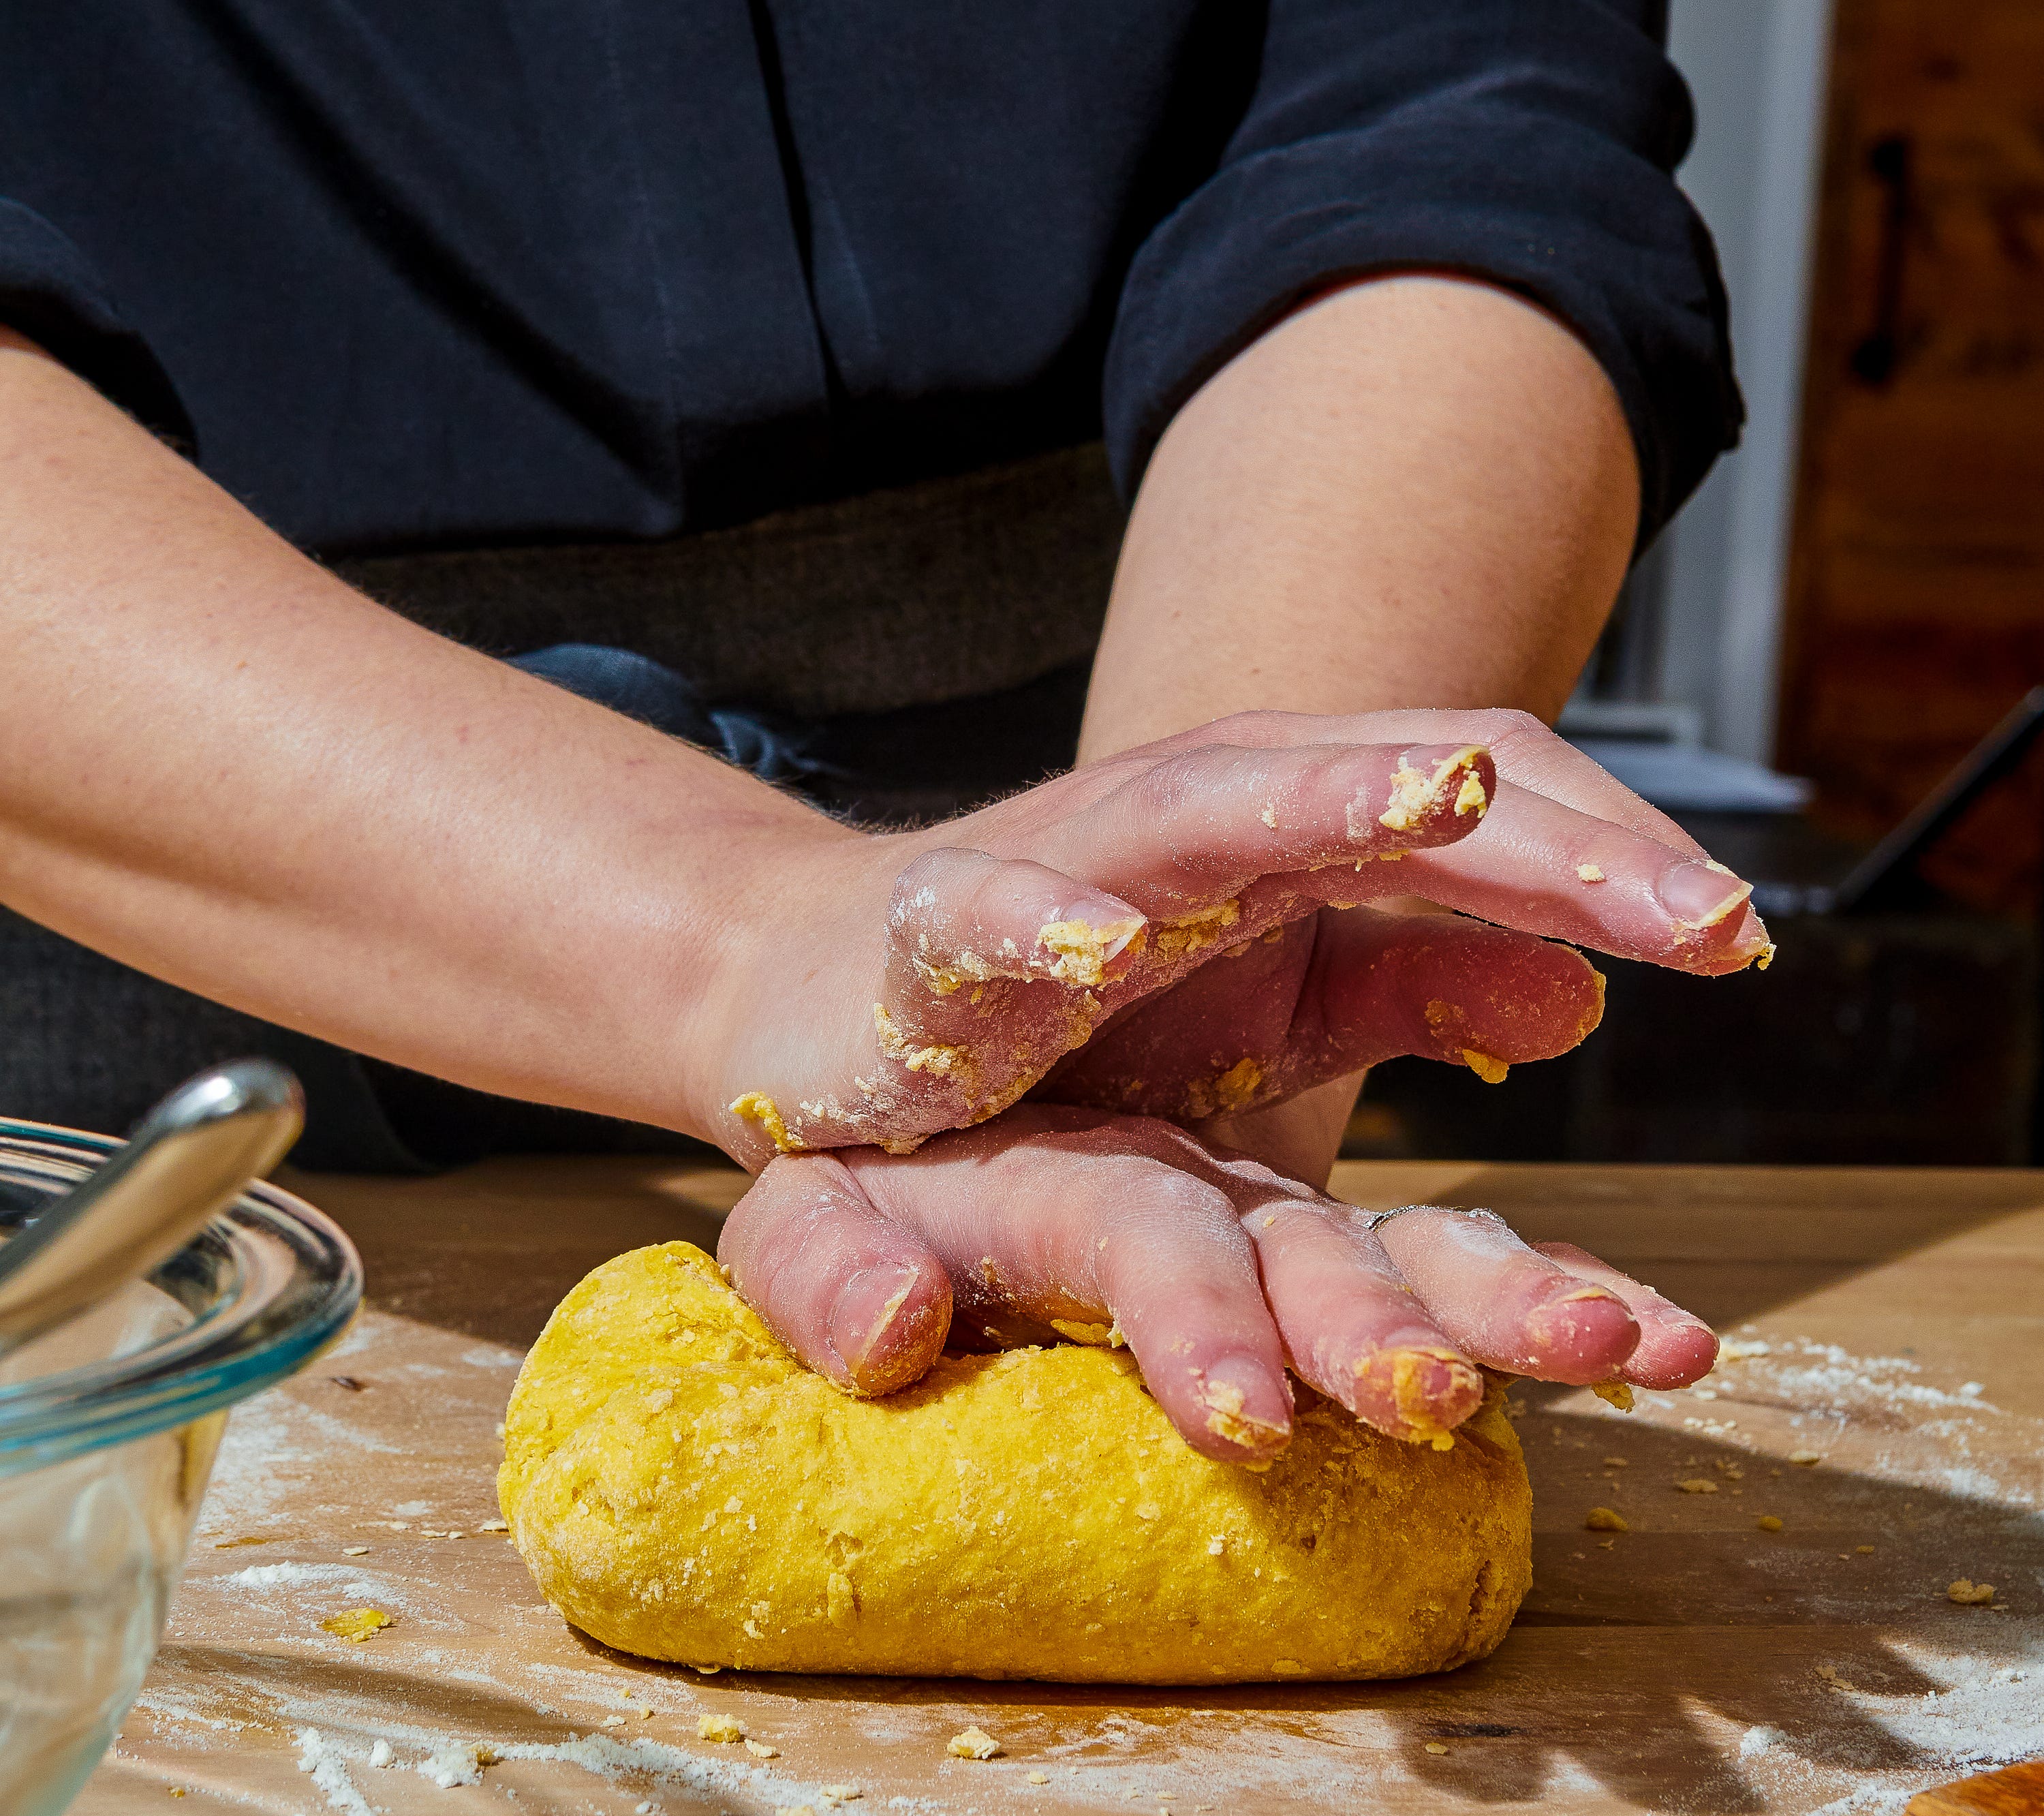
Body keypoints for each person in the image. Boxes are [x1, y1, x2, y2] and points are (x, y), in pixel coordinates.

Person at [0, 4, 1759, 1460]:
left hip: (1143, 702)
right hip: (148, 876)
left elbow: (1448, 127)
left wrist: (1195, 919)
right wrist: (739, 942)